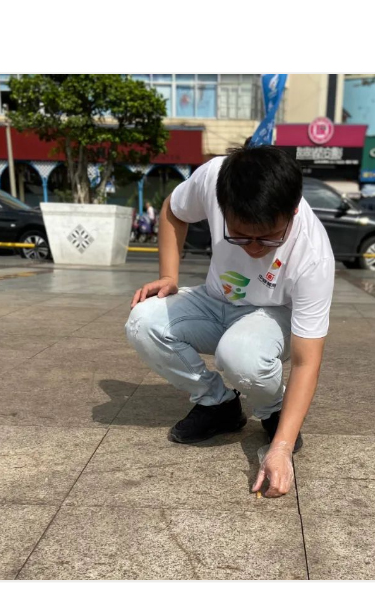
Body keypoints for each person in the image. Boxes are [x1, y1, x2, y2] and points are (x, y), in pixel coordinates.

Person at [125, 144, 335, 498]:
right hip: (215, 301)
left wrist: (281, 448)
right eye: (239, 235)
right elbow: (173, 209)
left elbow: (306, 362)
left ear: (294, 210)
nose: (253, 247)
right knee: (142, 321)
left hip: (273, 314)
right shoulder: (214, 177)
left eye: (269, 237)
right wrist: (169, 276)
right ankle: (218, 404)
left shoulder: (313, 255)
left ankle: (273, 409)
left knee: (240, 355)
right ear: (221, 207)